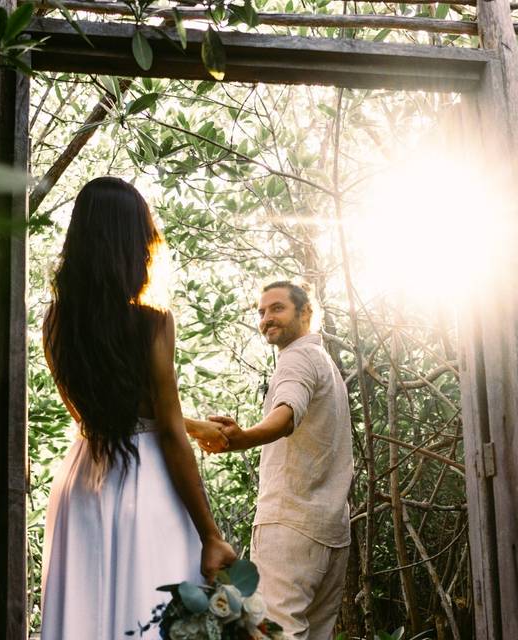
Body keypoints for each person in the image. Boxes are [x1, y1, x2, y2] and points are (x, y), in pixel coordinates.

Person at [40, 177, 235, 639]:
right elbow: (163, 429)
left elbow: (98, 414)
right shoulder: (152, 323)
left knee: (87, 617)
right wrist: (210, 534)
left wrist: (196, 424)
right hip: (146, 486)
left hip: (82, 484)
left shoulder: (55, 321)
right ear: (134, 242)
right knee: (153, 614)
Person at [197, 281, 353, 640]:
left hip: (289, 523)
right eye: (261, 312)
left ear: (306, 313)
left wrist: (243, 438)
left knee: (274, 634)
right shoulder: (325, 364)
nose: (266, 318)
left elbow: (286, 415)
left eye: (277, 308)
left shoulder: (297, 358)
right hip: (330, 532)